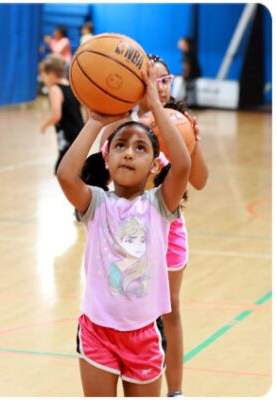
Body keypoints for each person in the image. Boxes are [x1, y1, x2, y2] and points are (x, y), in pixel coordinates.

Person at [56, 60, 191, 397]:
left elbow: (184, 163)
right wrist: (96, 121)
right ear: (107, 158)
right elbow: (65, 176)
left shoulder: (160, 206)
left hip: (144, 334)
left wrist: (156, 106)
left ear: (155, 166)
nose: (129, 153)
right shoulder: (96, 204)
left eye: (140, 148)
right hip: (96, 331)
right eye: (120, 146)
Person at [100, 54, 208, 397]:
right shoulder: (124, 124)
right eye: (152, 80)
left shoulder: (180, 122)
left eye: (165, 80)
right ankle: (120, 365)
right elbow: (99, 173)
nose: (159, 87)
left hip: (168, 227)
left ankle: (175, 390)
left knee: (169, 307)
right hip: (125, 230)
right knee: (126, 300)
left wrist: (194, 142)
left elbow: (201, 180)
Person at [39, 54, 84, 174]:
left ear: (52, 74)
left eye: (44, 76)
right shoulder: (71, 86)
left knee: (62, 171)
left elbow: (56, 115)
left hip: (68, 136)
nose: (43, 80)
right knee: (74, 171)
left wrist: (44, 125)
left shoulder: (55, 89)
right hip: (79, 134)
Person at [173, 37, 201, 105]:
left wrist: (181, 77)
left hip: (192, 76)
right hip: (192, 75)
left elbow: (188, 70)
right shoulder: (188, 54)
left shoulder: (188, 55)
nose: (179, 44)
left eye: (182, 43)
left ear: (186, 44)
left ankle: (175, 100)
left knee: (178, 80)